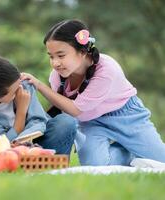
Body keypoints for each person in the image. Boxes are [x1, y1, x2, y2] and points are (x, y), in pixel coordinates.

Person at [21, 19, 165, 165]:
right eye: (51, 56)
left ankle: (136, 147)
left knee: (161, 161)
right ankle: (126, 154)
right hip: (91, 122)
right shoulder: (57, 76)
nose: (55, 63)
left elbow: (75, 109)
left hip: (125, 116)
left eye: (61, 55)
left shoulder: (107, 69)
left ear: (82, 52)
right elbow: (70, 111)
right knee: (95, 167)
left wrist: (38, 84)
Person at [0, 53, 76, 155]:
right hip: (7, 151)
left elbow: (38, 121)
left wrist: (22, 142)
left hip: (39, 143)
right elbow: (1, 142)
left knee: (65, 122)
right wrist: (21, 111)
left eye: (19, 82)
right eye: (14, 91)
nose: (20, 89)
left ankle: (49, 161)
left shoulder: (25, 84)